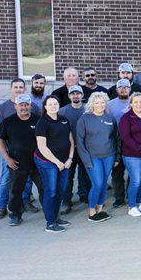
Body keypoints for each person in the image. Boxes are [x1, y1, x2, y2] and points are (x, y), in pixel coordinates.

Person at [0, 94, 44, 227]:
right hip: (16, 164)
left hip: (37, 163)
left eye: (26, 104)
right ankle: (15, 215)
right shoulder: (8, 122)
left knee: (44, 188)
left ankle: (49, 212)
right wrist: (7, 158)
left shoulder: (38, 120)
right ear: (16, 106)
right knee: (15, 191)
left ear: (30, 106)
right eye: (21, 105)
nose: (23, 107)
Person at [0, 79, 35, 220]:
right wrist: (7, 157)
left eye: (21, 87)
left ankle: (26, 202)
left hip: (30, 157)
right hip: (11, 155)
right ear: (11, 89)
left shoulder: (31, 106)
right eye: (15, 87)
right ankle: (2, 207)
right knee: (6, 180)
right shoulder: (3, 108)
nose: (18, 89)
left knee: (27, 181)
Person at [75, 92, 119, 222]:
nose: (100, 105)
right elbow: (79, 141)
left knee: (103, 184)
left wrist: (117, 157)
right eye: (96, 102)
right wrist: (86, 160)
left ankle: (100, 210)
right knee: (97, 183)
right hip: (93, 158)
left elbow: (116, 139)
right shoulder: (84, 119)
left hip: (108, 156)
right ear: (91, 104)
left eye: (102, 102)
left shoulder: (110, 118)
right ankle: (92, 212)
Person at [33, 96, 73, 233]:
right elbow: (42, 147)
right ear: (45, 107)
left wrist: (70, 159)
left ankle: (56, 218)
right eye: (50, 104)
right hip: (47, 162)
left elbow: (71, 141)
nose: (53, 106)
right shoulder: (42, 122)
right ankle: (50, 223)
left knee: (61, 190)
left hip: (64, 162)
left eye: (55, 104)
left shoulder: (64, 120)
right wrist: (57, 162)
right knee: (51, 191)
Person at [58, 85, 87, 214]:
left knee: (84, 174)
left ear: (82, 95)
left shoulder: (87, 109)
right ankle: (66, 201)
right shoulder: (62, 112)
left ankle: (84, 195)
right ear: (69, 96)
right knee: (68, 176)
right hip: (68, 150)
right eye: (73, 94)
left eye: (78, 93)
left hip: (84, 148)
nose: (75, 96)